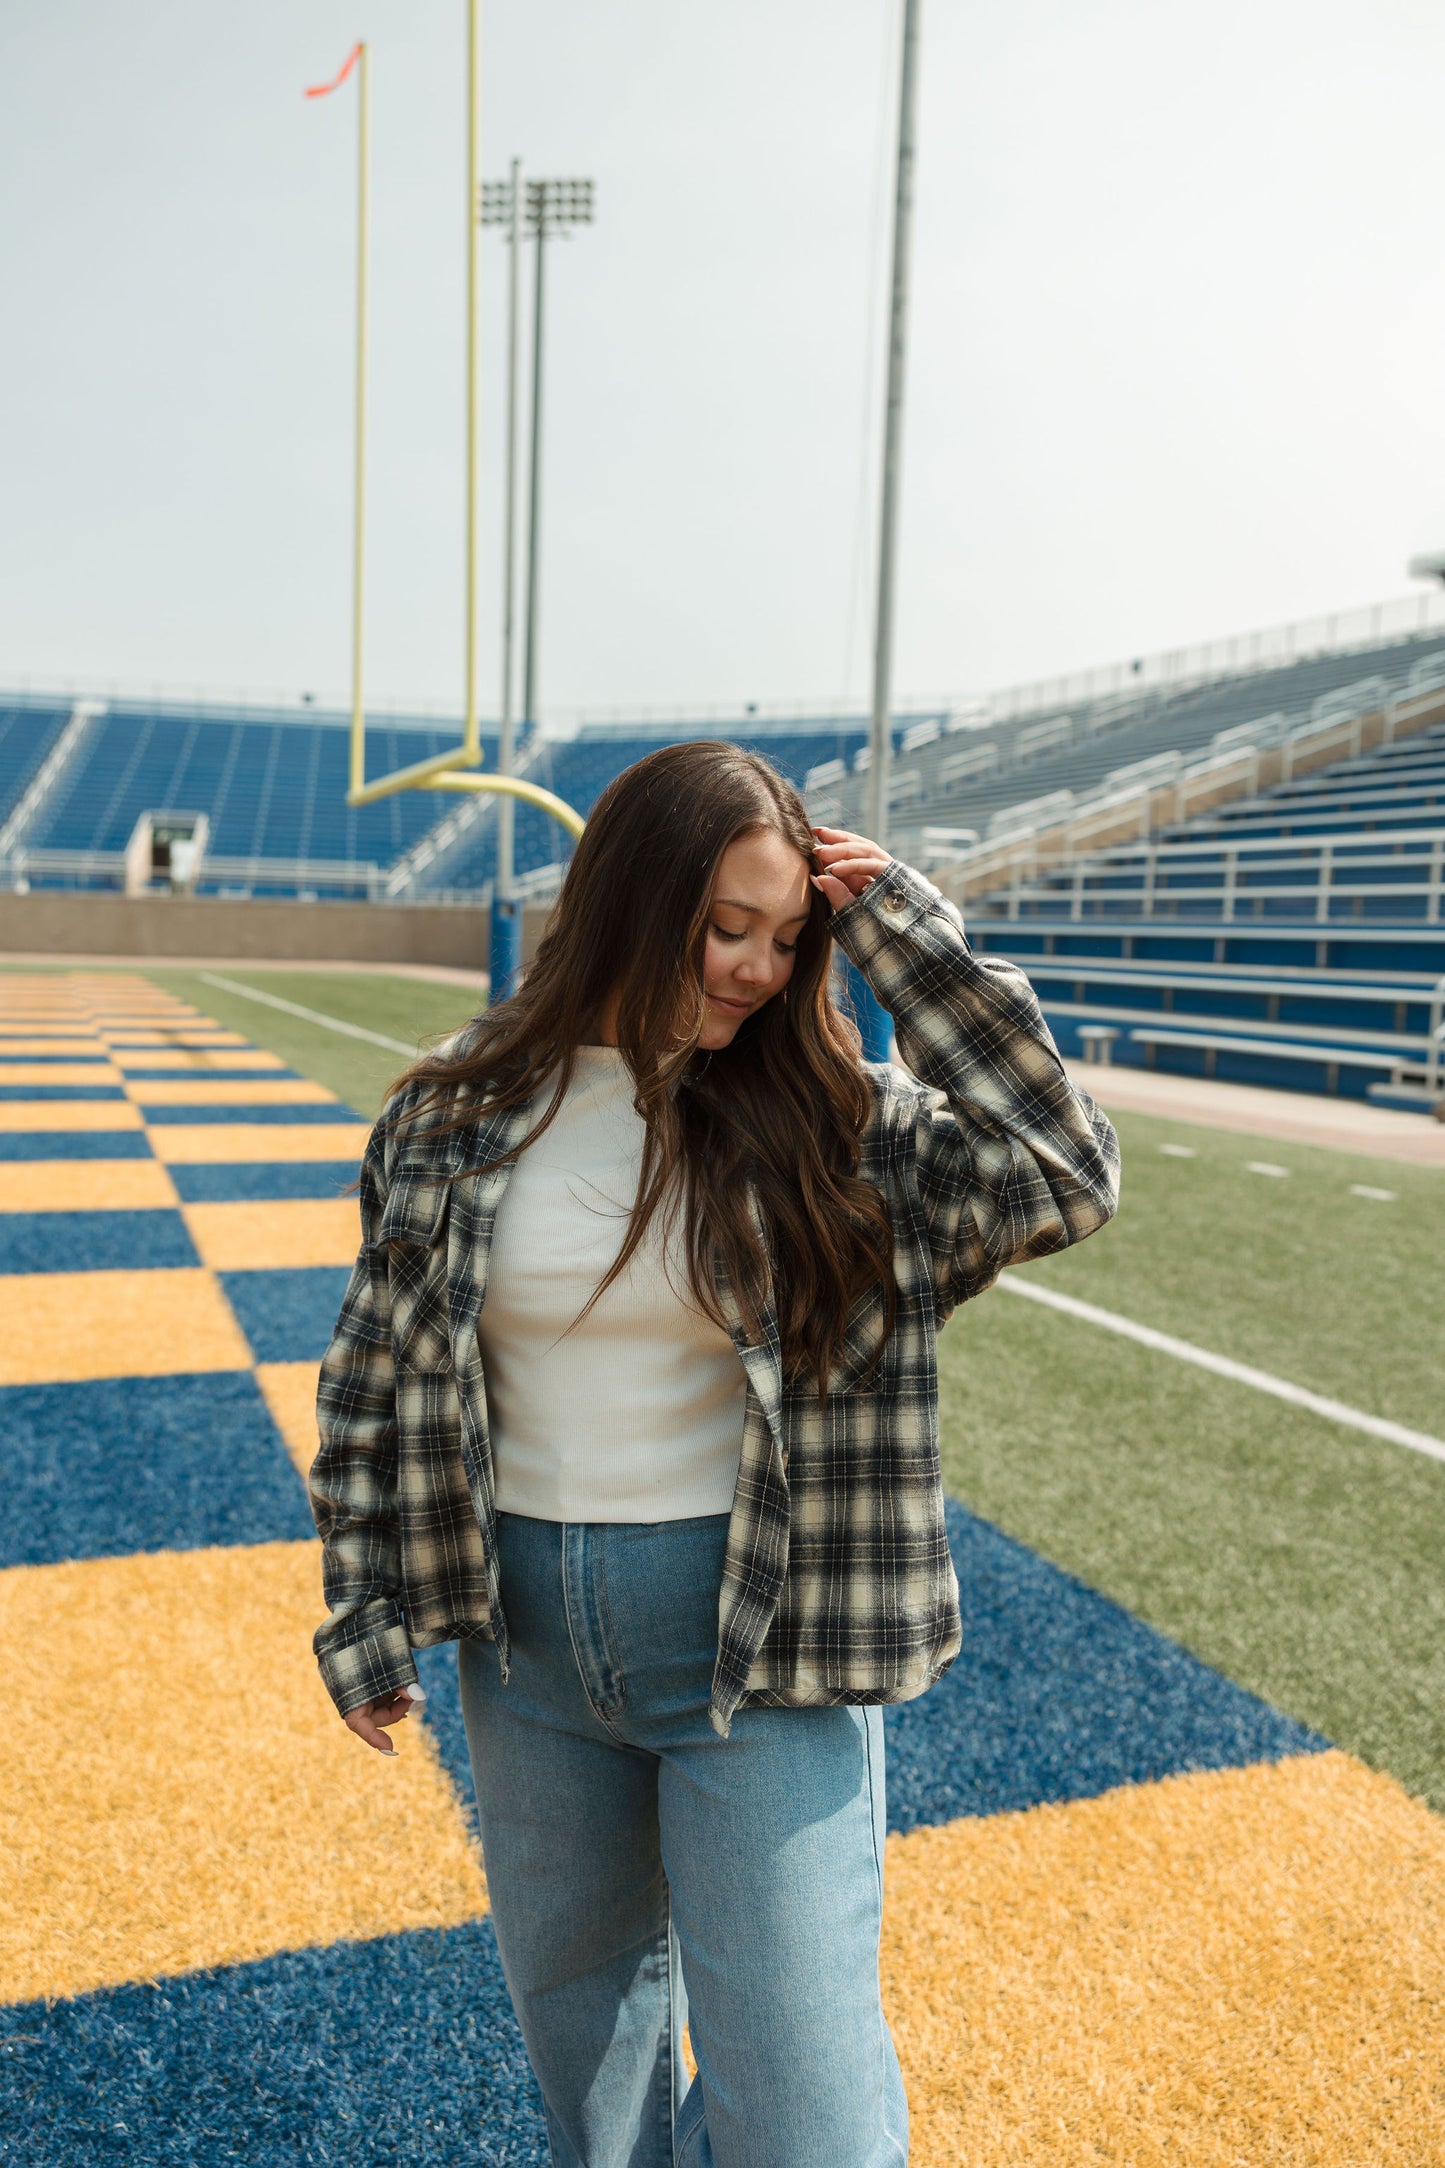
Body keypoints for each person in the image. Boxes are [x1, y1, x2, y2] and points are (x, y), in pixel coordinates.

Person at [309, 740, 1120, 2168]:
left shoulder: (836, 1126)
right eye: (722, 927)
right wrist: (364, 1610)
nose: (754, 969)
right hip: (526, 1647)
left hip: (764, 1645)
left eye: (786, 939)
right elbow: (376, 1372)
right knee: (593, 2064)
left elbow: (1061, 1171)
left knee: (805, 2123)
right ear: (628, 902)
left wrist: (910, 950)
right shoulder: (447, 1114)